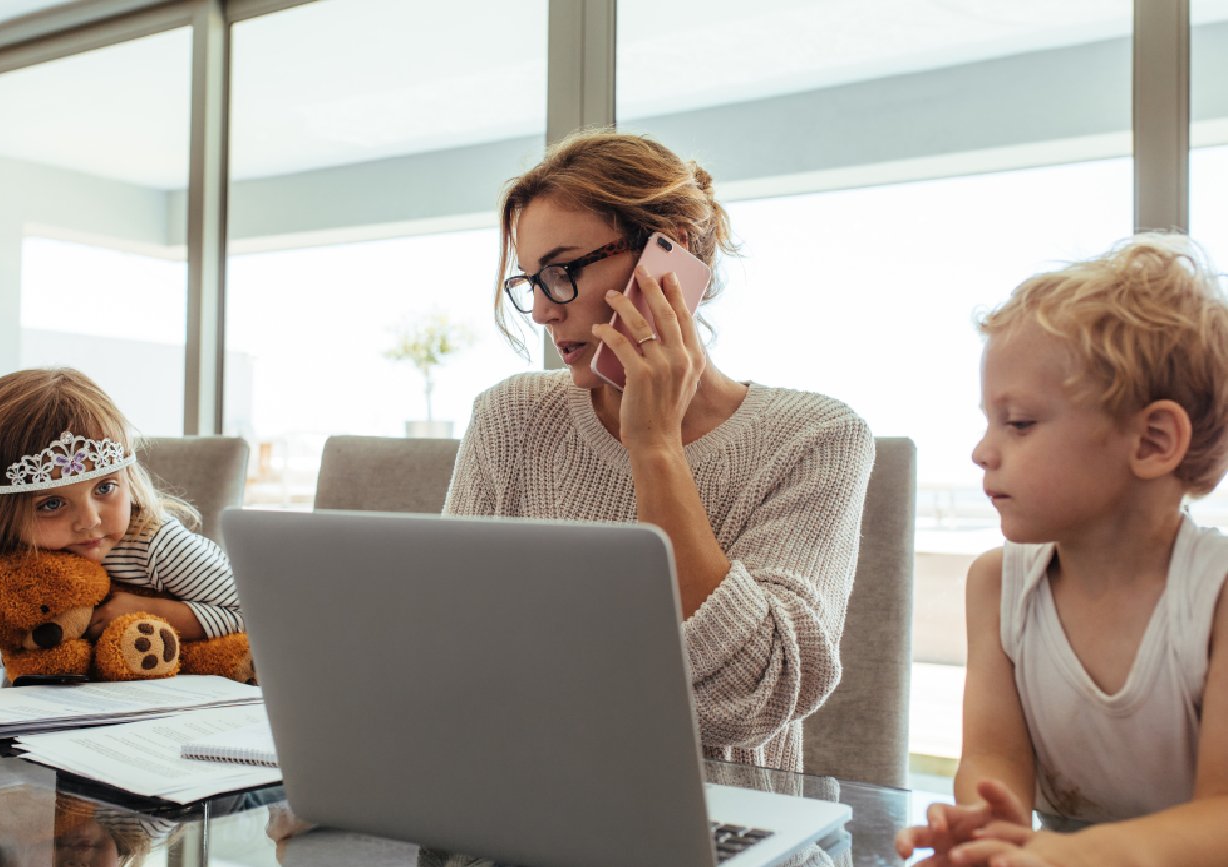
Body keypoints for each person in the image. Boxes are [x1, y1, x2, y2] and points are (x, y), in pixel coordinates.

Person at [443, 129, 875, 773]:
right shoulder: (513, 417)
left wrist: (655, 447)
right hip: (520, 787)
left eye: (561, 273)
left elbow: (748, 699)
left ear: (668, 256)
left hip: (715, 809)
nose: (540, 312)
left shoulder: (815, 438)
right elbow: (449, 645)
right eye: (530, 281)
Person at [896, 235, 1228, 866]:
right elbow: (993, 754)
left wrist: (1078, 855)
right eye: (988, 421)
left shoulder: (1215, 599)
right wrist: (991, 820)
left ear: (1153, 441)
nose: (982, 451)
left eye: (1019, 423)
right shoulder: (998, 584)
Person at [0, 367, 244, 678]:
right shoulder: (7, 566)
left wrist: (149, 611)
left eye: (104, 488)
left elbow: (253, 613)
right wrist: (53, 639)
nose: (90, 520)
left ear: (128, 478)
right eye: (51, 504)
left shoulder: (156, 544)